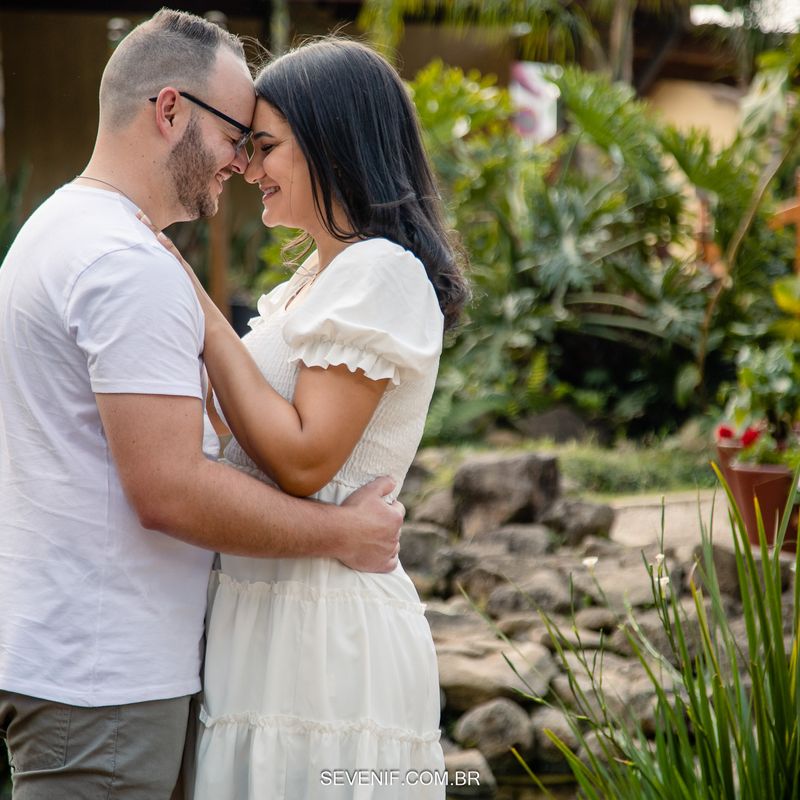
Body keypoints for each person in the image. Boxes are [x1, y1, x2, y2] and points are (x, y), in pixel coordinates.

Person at [0, 12, 404, 800]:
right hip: (106, 682)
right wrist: (344, 532)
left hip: (78, 661)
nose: (241, 162)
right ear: (171, 111)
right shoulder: (125, 263)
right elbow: (170, 486)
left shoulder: (61, 228)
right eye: (235, 134)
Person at [148, 36, 469, 800]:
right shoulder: (311, 282)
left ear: (333, 143)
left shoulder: (379, 273)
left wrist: (194, 300)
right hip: (264, 613)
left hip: (326, 628)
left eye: (266, 146)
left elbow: (299, 460)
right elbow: (245, 442)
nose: (248, 167)